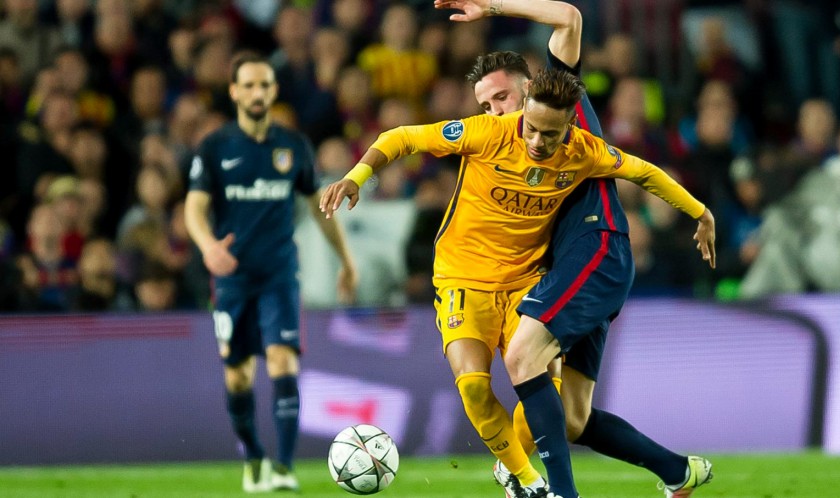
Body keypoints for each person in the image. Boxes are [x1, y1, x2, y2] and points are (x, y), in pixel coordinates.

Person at [320, 68, 714, 498]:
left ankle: (538, 482)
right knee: (475, 387)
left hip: (526, 280)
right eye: (531, 128)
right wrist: (356, 176)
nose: (537, 142)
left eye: (550, 134)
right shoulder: (488, 132)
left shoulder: (585, 151)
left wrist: (700, 213)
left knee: (547, 386)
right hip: (463, 278)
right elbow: (402, 137)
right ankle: (528, 481)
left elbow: (645, 172)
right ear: (524, 109)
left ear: (571, 125)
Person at [441, 2, 717, 497]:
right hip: (575, 264)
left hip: (595, 246)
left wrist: (493, 7)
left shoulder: (557, 102)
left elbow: (568, 16)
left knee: (523, 356)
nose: (496, 112)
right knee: (572, 417)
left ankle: (559, 493)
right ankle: (679, 472)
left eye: (502, 98)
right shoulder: (503, 144)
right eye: (485, 106)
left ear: (531, 89)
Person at [184, 52, 357, 494]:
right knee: (238, 375)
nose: (257, 93)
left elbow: (320, 208)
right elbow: (194, 208)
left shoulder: (293, 146)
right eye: (249, 85)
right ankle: (254, 455)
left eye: (264, 85)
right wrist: (207, 247)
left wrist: (346, 260)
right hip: (232, 279)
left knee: (283, 359)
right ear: (234, 92)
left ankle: (284, 467)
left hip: (279, 273)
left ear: (274, 91)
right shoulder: (215, 147)